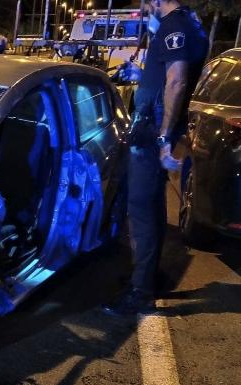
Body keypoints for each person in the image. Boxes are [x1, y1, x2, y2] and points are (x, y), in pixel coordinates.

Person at [103, 0, 208, 316]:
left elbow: (176, 81)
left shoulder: (174, 26)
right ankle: (148, 276)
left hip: (152, 133)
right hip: (158, 129)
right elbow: (167, 75)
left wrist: (163, 138)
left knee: (140, 209)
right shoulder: (189, 23)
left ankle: (140, 292)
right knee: (153, 207)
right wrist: (140, 72)